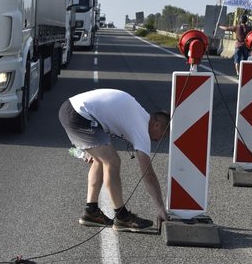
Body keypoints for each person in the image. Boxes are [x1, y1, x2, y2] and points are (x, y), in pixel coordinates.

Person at [58, 89, 170, 231]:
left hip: (74, 108)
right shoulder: (141, 128)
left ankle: (91, 212)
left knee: (100, 160)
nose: (159, 140)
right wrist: (160, 207)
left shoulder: (140, 115)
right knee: (112, 161)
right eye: (163, 136)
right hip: (79, 114)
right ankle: (122, 217)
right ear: (156, 125)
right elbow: (148, 174)